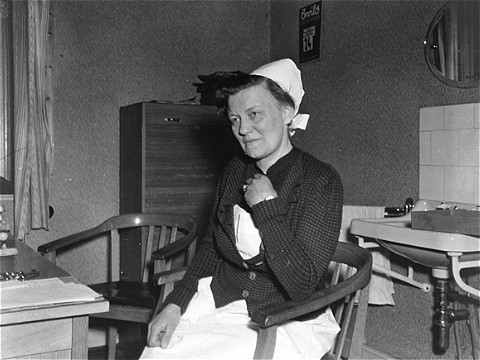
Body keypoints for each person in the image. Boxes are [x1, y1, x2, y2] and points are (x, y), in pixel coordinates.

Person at [142, 58, 343, 359]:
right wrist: (176, 304)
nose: (243, 129)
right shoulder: (235, 171)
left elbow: (301, 286)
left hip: (285, 318)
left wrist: (266, 205)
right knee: (158, 352)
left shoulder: (320, 180)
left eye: (254, 114)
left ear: (287, 113)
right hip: (223, 304)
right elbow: (211, 247)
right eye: (235, 119)